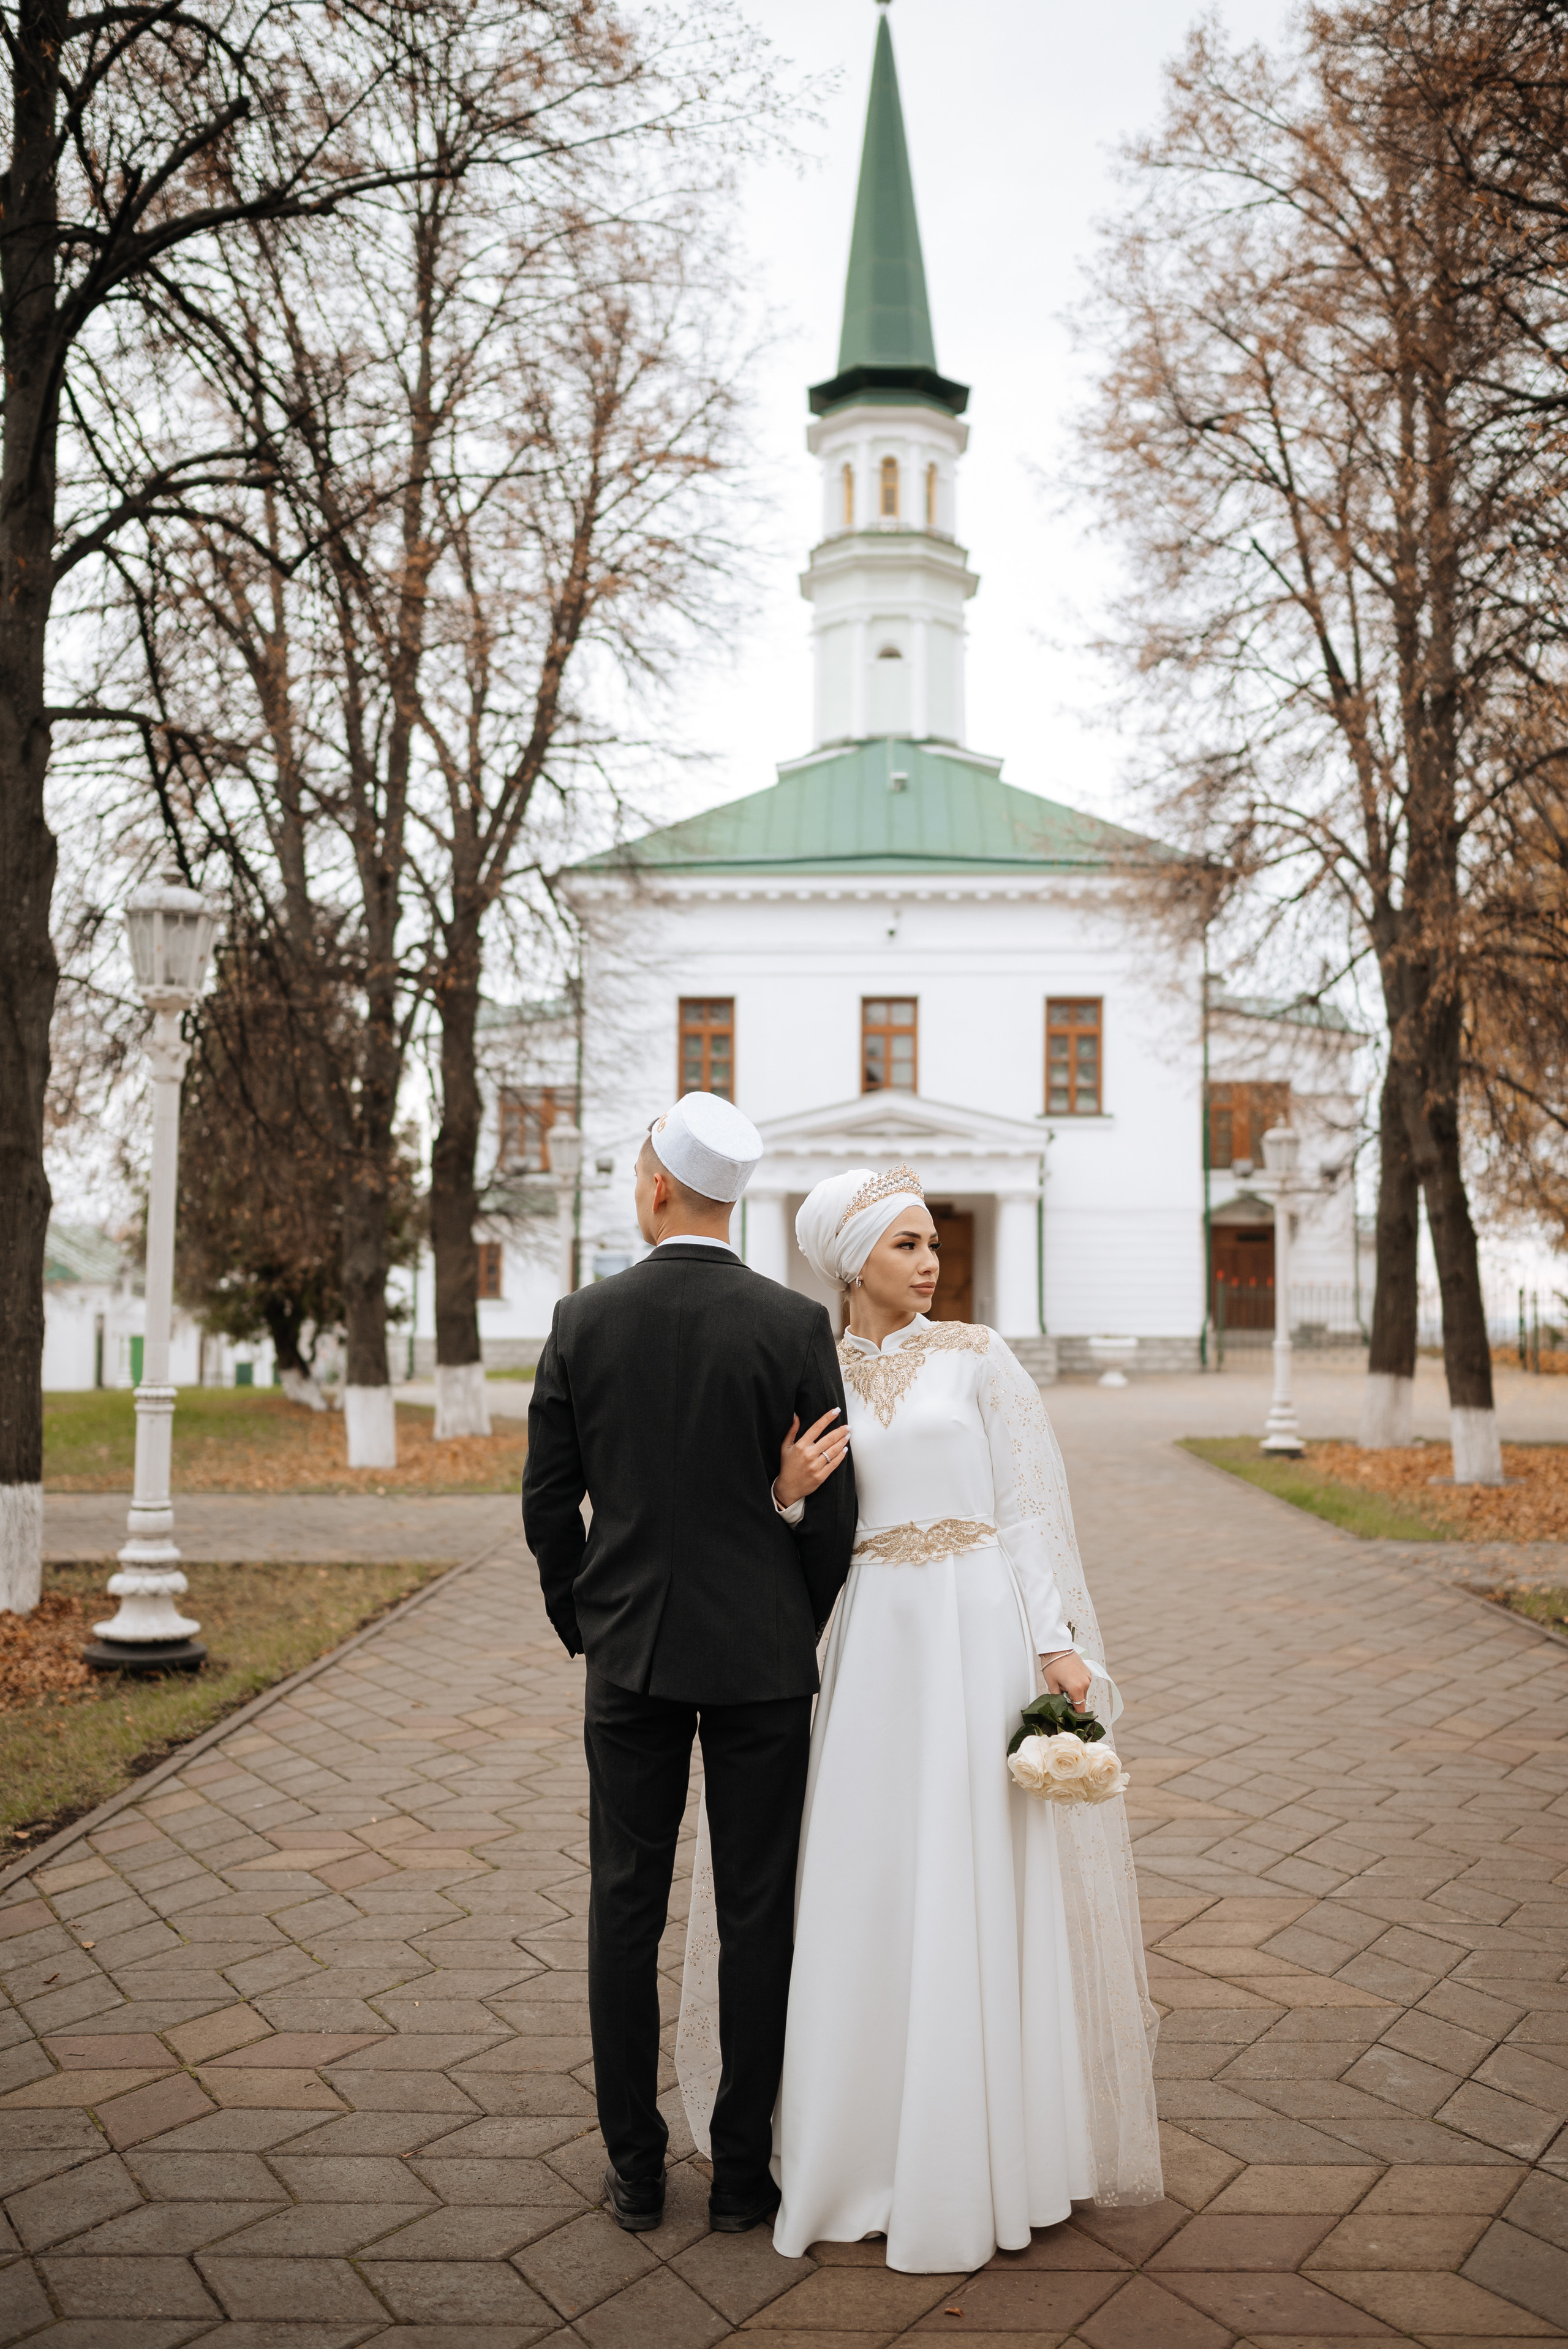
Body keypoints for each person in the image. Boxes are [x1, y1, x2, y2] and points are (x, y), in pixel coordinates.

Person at [676, 1162, 1161, 2272]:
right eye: (905, 1244)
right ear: (851, 1262)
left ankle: (992, 2154)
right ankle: (855, 2147)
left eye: (934, 1240)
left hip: (978, 1632)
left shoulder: (983, 1359)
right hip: (873, 1642)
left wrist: (1057, 1641)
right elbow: (782, 1529)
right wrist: (785, 1489)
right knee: (867, 1874)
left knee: (978, 1872)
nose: (930, 1260)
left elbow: (1031, 1509)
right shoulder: (812, 1369)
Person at [522, 1092, 857, 2239]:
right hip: (763, 1660)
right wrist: (787, 1621)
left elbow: (546, 1506)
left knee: (625, 1904)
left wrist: (593, 1622)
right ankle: (745, 2178)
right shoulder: (792, 1325)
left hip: (632, 1659)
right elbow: (836, 1510)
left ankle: (633, 2168)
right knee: (759, 1910)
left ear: (656, 1184)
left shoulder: (583, 1317)